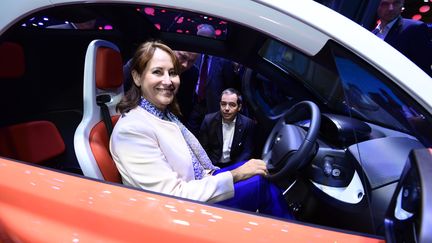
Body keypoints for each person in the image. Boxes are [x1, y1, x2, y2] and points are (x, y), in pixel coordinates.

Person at [109, 40, 292, 219]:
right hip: (180, 212)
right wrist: (236, 174)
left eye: (172, 73)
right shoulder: (131, 130)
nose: (168, 81)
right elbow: (171, 197)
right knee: (261, 185)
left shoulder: (163, 114)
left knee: (258, 170)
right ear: (137, 77)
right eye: (157, 72)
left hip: (197, 185)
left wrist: (238, 172)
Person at [187, 24, 240, 136]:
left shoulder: (224, 61)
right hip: (195, 103)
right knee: (190, 134)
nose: (201, 42)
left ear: (214, 39)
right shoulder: (195, 56)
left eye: (205, 39)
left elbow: (230, 85)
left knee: (210, 136)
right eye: (199, 38)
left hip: (213, 106)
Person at [123, 49, 199, 123]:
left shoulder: (192, 73)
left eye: (191, 61)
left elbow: (185, 109)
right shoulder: (137, 64)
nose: (185, 65)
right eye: (183, 57)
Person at [373, 0, 432, 76]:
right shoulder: (373, 33)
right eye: (385, 4)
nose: (391, 8)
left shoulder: (414, 28)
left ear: (401, 6)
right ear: (378, 6)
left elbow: (424, 65)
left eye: (396, 3)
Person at [199, 88, 255, 168]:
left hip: (235, 165)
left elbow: (247, 151)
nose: (227, 108)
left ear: (239, 107)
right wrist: (211, 168)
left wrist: (235, 169)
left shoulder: (247, 123)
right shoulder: (208, 121)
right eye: (223, 104)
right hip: (213, 165)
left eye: (232, 105)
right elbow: (203, 149)